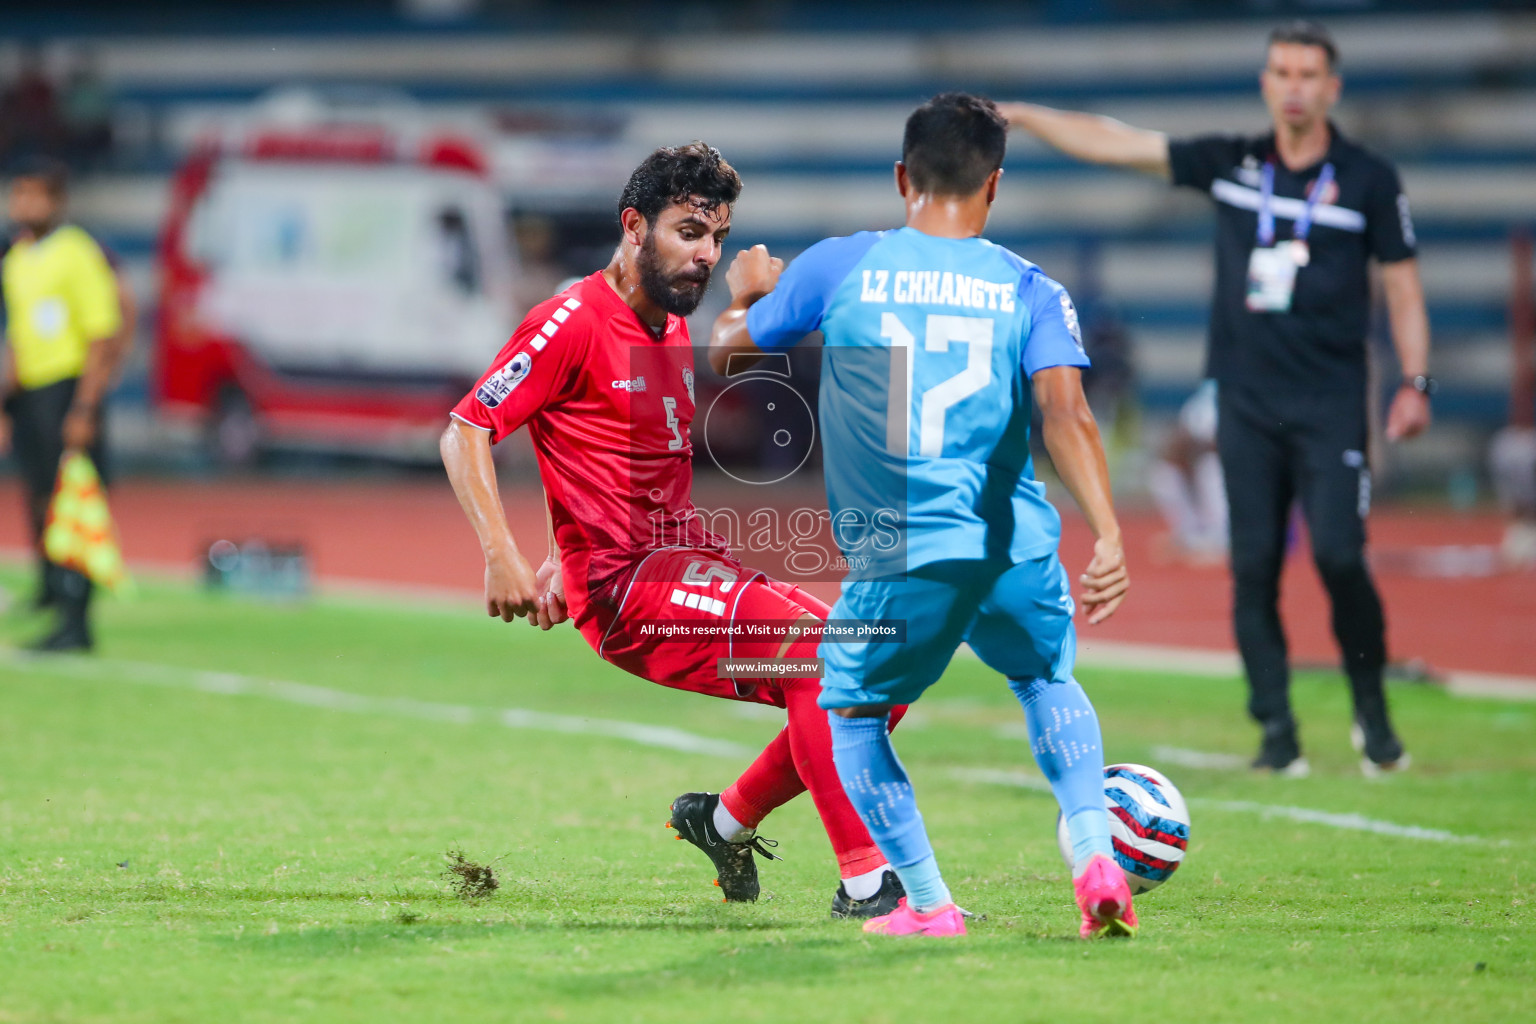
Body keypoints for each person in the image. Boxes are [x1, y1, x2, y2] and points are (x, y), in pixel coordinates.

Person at [440, 142, 910, 919]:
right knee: (828, 665)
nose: (706, 254)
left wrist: (561, 550)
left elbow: (603, 454)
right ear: (635, 226)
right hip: (629, 589)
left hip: (686, 559)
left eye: (717, 237)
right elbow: (465, 429)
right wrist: (506, 555)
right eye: (690, 232)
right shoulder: (570, 321)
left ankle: (722, 821)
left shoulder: (663, 326)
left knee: (880, 679)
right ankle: (870, 887)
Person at [711, 93, 1135, 939]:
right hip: (1014, 541)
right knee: (1045, 680)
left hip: (904, 549)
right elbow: (1069, 417)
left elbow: (729, 355)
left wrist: (745, 292)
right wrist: (1112, 531)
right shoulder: (1031, 287)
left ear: (903, 176)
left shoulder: (843, 266)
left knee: (851, 716)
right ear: (995, 185)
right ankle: (1095, 854)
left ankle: (931, 906)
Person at [1000, 20, 1431, 776]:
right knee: (1254, 563)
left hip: (1332, 402)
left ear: (1332, 87)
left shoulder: (1368, 179)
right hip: (1246, 403)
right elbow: (1118, 142)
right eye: (1281, 71)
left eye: (1308, 74)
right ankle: (1276, 734)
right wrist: (1025, 118)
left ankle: (1373, 715)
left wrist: (1415, 382)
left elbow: (1402, 285)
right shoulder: (1233, 163)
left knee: (1338, 555)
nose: (1294, 86)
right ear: (1266, 82)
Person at [0, 157, 127, 651]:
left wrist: (85, 408)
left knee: (73, 501)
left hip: (67, 389)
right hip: (30, 394)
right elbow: (17, 335)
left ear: (57, 202)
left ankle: (78, 620)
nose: (25, 205)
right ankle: (52, 593)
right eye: (19, 194)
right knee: (37, 496)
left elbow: (101, 334)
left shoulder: (76, 252)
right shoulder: (16, 258)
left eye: (36, 195)